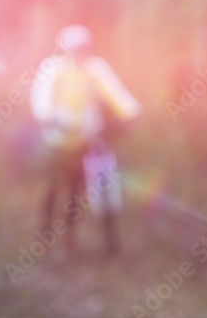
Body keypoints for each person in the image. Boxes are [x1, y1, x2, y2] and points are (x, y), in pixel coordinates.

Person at [30, 24, 141, 255]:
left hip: (84, 142)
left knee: (75, 191)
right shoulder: (53, 69)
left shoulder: (95, 69)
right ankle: (45, 230)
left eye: (82, 48)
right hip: (57, 141)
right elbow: (42, 98)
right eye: (75, 48)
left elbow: (115, 92)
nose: (79, 53)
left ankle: (69, 236)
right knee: (53, 186)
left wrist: (130, 112)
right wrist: (48, 117)